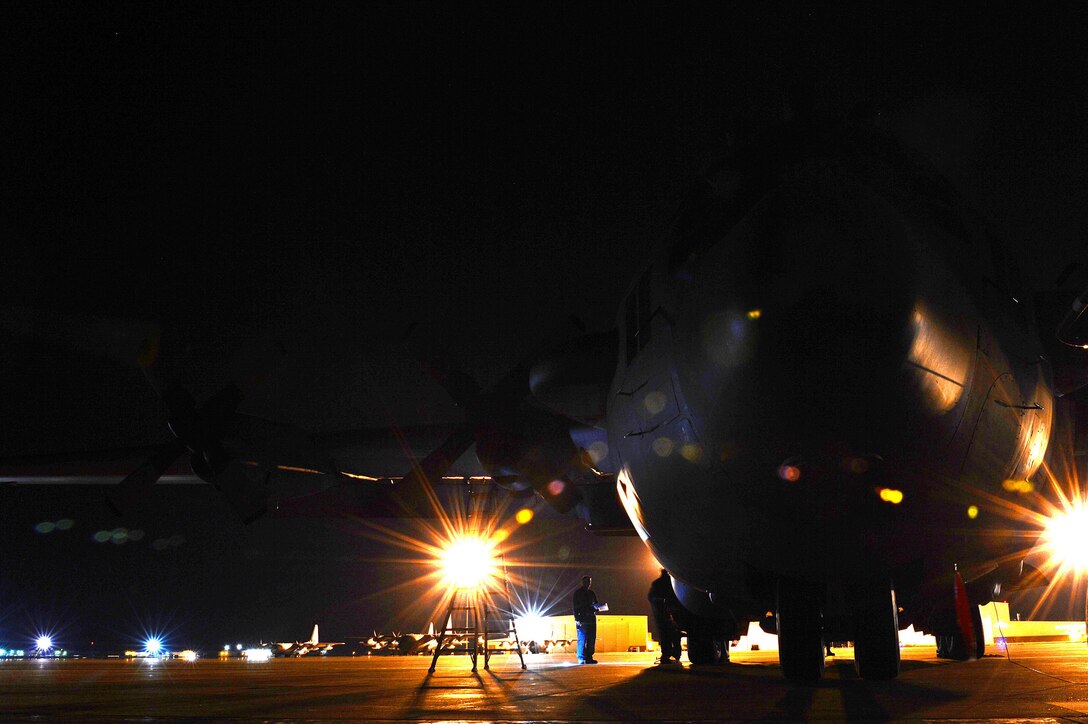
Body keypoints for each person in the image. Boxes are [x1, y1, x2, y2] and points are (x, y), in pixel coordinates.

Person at [648, 569, 682, 663]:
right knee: (675, 635)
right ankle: (675, 655)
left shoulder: (657, 583)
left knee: (664, 635)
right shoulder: (671, 583)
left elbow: (651, 597)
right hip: (670, 614)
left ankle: (666, 655)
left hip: (661, 614)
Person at [572, 575, 601, 664]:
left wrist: (598, 607)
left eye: (589, 582)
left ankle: (589, 657)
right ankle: (581, 657)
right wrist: (577, 619)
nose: (588, 583)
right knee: (582, 639)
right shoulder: (578, 593)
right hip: (582, 619)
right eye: (587, 581)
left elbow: (596, 604)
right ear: (583, 582)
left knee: (591, 639)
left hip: (591, 618)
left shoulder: (592, 593)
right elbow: (575, 607)